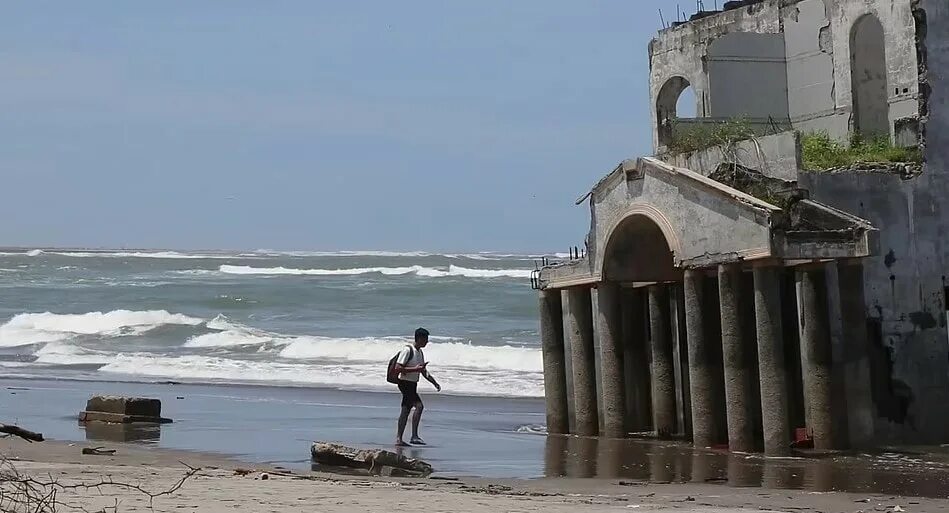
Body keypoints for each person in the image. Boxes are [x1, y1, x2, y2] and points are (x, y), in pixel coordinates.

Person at [393, 327, 441, 446]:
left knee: (406, 410)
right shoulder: (408, 350)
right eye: (425, 339)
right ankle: (412, 436)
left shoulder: (419, 352)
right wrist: (415, 369)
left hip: (412, 384)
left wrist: (434, 382)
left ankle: (400, 438)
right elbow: (398, 368)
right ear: (419, 338)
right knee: (418, 406)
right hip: (405, 383)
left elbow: (423, 371)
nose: (427, 342)